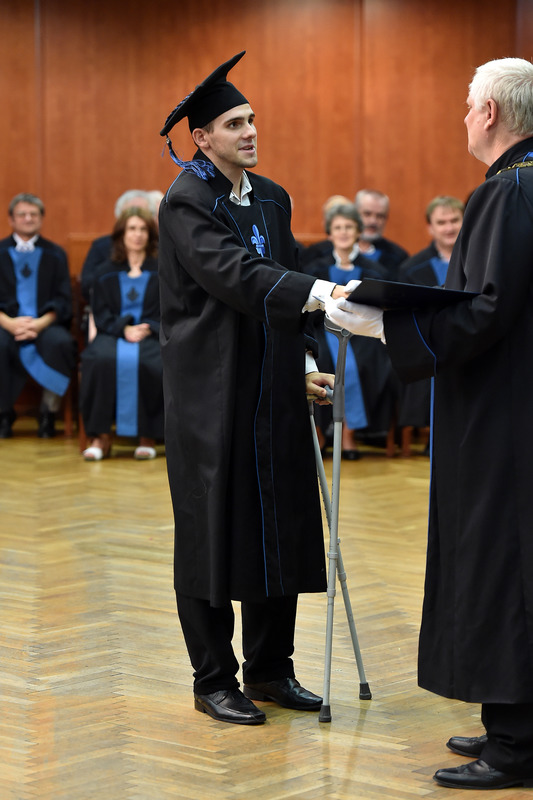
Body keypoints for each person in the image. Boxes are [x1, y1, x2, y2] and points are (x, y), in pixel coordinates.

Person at [325, 57, 533, 790]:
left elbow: (486, 309)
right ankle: (514, 719)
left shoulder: (507, 189)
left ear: (490, 113)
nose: (464, 117)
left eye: (468, 105)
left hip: (502, 411)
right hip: (515, 400)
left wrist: (388, 326)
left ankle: (514, 743)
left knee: (500, 558)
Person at [158, 51, 349, 726]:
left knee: (281, 525)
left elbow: (283, 282)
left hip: (273, 387)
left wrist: (305, 363)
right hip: (211, 397)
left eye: (252, 119)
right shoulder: (185, 202)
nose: (249, 131)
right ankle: (213, 678)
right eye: (234, 123)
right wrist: (322, 293)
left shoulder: (272, 196)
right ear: (201, 138)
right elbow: (236, 275)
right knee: (211, 534)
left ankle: (271, 670)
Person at [307, 202, 396, 458]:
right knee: (320, 359)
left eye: (349, 227)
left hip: (362, 333)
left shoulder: (374, 270)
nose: (344, 232)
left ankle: (349, 434)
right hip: (323, 329)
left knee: (367, 362)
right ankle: (321, 434)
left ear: (358, 231)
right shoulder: (315, 267)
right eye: (338, 227)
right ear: (330, 233)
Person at [80, 207, 163, 460]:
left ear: (150, 235)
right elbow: (100, 311)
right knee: (99, 360)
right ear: (121, 234)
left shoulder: (163, 269)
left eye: (143, 229)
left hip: (150, 333)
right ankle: (100, 437)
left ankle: (148, 436)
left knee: (153, 362)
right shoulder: (104, 271)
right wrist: (123, 329)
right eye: (132, 229)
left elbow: (171, 308)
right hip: (113, 332)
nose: (138, 235)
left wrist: (148, 327)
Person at [0, 193, 76, 438]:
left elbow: (64, 299)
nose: (28, 218)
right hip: (5, 323)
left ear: (41, 218)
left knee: (61, 343)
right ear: (11, 219)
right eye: (22, 214)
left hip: (45, 323)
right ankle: (3, 414)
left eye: (33, 214)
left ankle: (48, 413)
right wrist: (9, 323)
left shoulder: (56, 254)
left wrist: (40, 323)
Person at [397, 196, 464, 439]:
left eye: (454, 220)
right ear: (430, 227)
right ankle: (435, 432)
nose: (449, 228)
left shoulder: (480, 260)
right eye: (441, 222)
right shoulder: (411, 268)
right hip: (428, 340)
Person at [80, 189, 156, 302]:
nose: (138, 234)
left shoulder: (160, 253)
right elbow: (87, 285)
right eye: (132, 228)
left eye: (143, 215)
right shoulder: (101, 249)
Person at [354, 189, 409, 281]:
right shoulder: (331, 249)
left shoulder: (398, 257)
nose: (373, 221)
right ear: (354, 214)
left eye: (380, 216)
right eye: (367, 214)